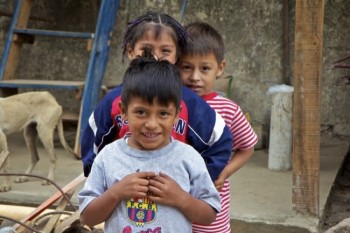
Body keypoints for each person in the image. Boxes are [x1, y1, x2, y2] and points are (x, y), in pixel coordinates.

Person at [81, 11, 233, 183]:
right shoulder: (114, 100)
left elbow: (219, 139)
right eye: (146, 50)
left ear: (177, 56)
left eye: (166, 51)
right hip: (123, 195)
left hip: (171, 197)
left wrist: (198, 182)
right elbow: (92, 143)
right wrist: (100, 182)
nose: (155, 57)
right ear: (130, 51)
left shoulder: (188, 102)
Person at [79, 55, 221, 233]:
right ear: (123, 111)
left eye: (163, 113)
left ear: (177, 114)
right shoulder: (108, 156)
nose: (152, 124)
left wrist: (181, 198)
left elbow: (209, 215)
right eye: (141, 112)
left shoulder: (188, 157)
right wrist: (116, 193)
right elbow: (87, 217)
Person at [177, 21, 258, 233]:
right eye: (186, 67)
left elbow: (247, 147)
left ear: (220, 68)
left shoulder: (228, 109)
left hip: (211, 201)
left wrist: (224, 172)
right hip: (173, 201)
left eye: (204, 68)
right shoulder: (168, 105)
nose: (195, 77)